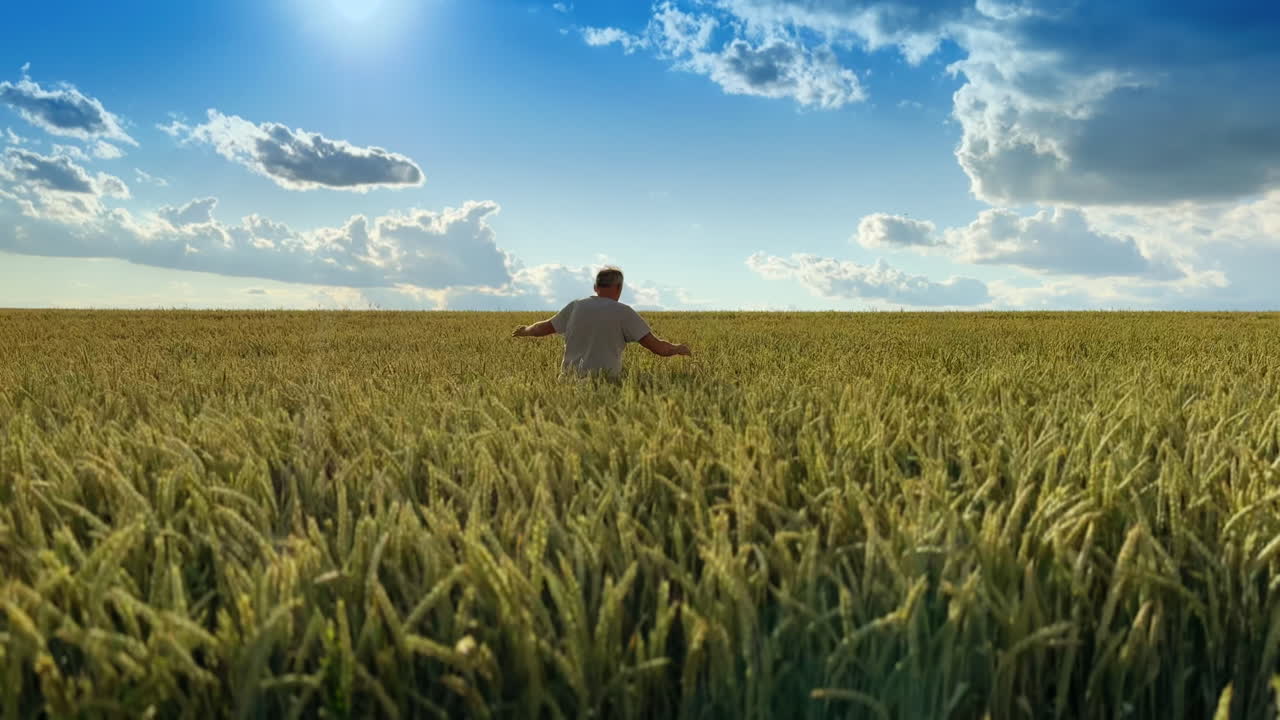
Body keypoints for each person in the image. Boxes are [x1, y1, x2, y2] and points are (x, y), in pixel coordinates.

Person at [512, 266, 692, 377]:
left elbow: (542, 328)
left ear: (595, 287)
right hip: (605, 386)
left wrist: (525, 330)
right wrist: (678, 349)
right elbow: (658, 348)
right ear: (619, 288)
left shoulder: (576, 306)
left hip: (568, 385)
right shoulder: (624, 312)